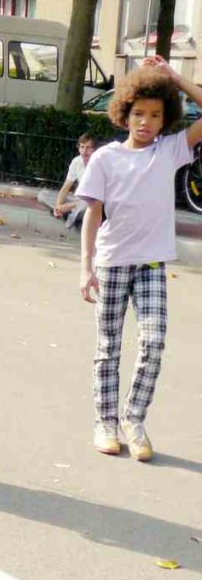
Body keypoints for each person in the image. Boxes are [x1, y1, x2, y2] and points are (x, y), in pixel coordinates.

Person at [77, 56, 202, 461]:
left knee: (153, 342)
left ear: (165, 120)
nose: (146, 121)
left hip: (151, 265)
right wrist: (86, 267)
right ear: (124, 114)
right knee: (108, 347)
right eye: (138, 113)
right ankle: (105, 422)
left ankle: (134, 417)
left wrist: (174, 77)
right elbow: (92, 215)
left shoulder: (169, 151)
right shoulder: (105, 158)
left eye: (155, 115)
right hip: (112, 262)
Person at [36, 133, 95, 229]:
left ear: (94, 149)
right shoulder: (76, 161)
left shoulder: (98, 164)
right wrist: (58, 206)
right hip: (76, 201)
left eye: (88, 148)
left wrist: (68, 207)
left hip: (91, 202)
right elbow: (66, 187)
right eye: (82, 147)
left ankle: (70, 219)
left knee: (85, 206)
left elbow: (92, 198)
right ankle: (69, 214)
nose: (84, 151)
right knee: (43, 195)